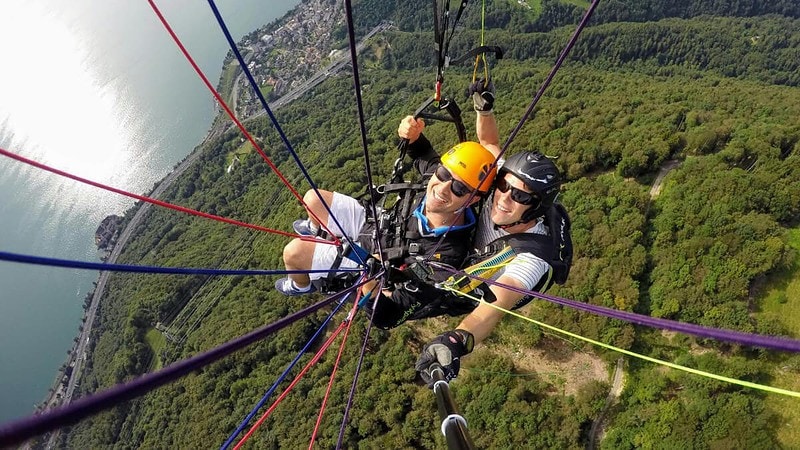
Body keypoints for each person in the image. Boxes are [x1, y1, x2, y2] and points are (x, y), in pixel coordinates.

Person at [412, 79, 571, 385]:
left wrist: (456, 341)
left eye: (521, 197)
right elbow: (489, 148)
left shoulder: (531, 259)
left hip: (477, 282)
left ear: (536, 208)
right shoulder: (501, 193)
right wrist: (484, 111)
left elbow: (494, 306)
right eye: (502, 186)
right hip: (472, 247)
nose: (504, 198)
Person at [275, 118, 497, 329]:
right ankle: (319, 231)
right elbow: (421, 151)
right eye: (443, 173)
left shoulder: (447, 255)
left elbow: (388, 317)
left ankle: (300, 285)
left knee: (294, 253)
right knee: (313, 199)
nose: (443, 188)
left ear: (473, 199)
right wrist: (412, 133)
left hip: (374, 264)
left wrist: (371, 282)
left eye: (459, 189)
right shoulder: (435, 178)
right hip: (379, 226)